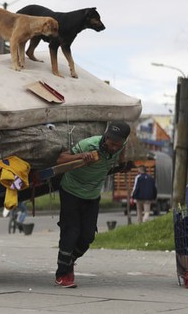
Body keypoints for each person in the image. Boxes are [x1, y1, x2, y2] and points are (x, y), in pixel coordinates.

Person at [54, 121, 131, 288]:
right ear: (106, 137)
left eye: (118, 145)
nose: (114, 148)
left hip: (93, 195)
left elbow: (121, 154)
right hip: (71, 192)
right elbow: (61, 159)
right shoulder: (88, 145)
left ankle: (69, 261)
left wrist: (123, 163)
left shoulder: (121, 146)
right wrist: (81, 156)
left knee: (88, 237)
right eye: (111, 144)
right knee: (71, 232)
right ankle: (62, 274)